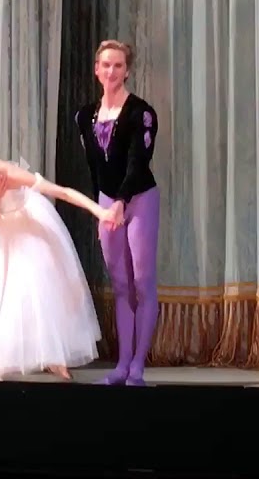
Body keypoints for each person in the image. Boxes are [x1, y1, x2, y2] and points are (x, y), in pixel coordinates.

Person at [0, 150, 118, 382]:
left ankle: (52, 356)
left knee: (39, 294)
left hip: (29, 227)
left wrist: (100, 211)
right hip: (0, 232)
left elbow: (63, 192)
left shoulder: (7, 175)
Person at [74, 40, 161, 387]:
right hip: (108, 202)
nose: (111, 71)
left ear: (127, 70)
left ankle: (138, 363)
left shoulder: (142, 113)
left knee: (142, 282)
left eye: (118, 66)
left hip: (138, 198)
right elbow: (96, 168)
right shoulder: (84, 116)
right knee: (121, 285)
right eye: (106, 65)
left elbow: (140, 163)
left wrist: (122, 201)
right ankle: (122, 363)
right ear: (96, 69)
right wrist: (103, 205)